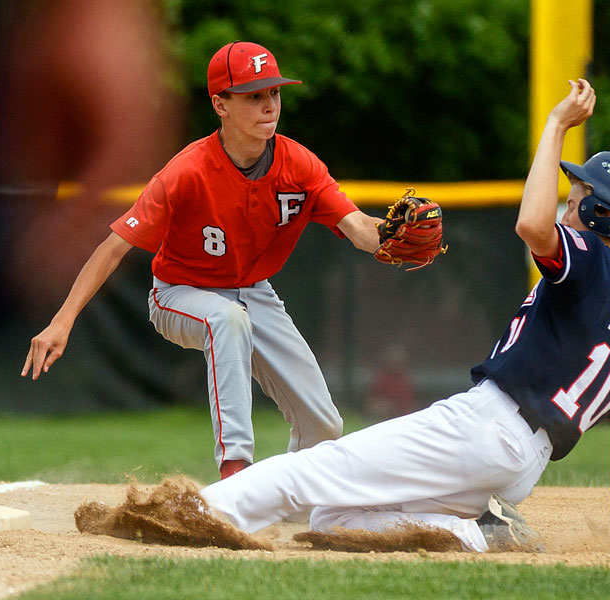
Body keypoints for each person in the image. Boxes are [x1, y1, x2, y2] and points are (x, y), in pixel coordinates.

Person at [198, 79, 610, 551]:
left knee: (314, 469)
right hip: (523, 465)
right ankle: (477, 532)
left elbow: (531, 225)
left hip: (486, 427)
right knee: (331, 518)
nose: (567, 205)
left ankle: (196, 513)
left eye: (576, 196)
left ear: (603, 213)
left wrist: (556, 124)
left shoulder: (591, 258)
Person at [22, 41, 383, 480]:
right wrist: (62, 321)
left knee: (324, 424)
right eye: (254, 95)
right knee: (226, 320)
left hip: (255, 294)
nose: (269, 104)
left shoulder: (299, 165)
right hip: (180, 294)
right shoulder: (187, 172)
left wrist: (395, 238)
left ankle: (285, 495)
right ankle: (235, 473)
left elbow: (360, 229)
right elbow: (112, 247)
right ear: (220, 104)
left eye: (274, 92)